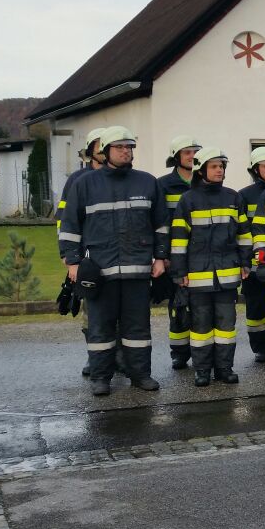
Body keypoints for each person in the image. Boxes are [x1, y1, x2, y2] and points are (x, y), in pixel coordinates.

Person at [59, 126, 167, 396]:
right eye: (119, 147)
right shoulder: (85, 184)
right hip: (99, 271)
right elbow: (70, 226)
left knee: (138, 328)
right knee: (100, 328)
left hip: (137, 270)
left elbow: (161, 225)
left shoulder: (147, 182)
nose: (125, 151)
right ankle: (100, 378)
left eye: (129, 147)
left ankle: (140, 375)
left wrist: (161, 257)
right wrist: (72, 262)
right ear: (105, 152)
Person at [168, 147, 252, 387]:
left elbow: (244, 235)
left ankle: (224, 369)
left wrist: (246, 262)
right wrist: (179, 272)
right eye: (214, 166)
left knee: (226, 326)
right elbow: (178, 240)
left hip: (227, 275)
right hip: (197, 276)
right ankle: (202, 370)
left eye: (222, 166)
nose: (220, 170)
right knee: (201, 326)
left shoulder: (233, 197)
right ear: (201, 170)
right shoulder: (188, 200)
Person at [57, 126, 109, 378]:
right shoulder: (77, 180)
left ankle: (119, 357)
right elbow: (64, 220)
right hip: (88, 257)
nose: (105, 149)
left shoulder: (123, 178)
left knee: (120, 311)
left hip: (117, 254)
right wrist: (68, 257)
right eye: (100, 145)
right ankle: (95, 356)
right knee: (91, 310)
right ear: (90, 150)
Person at [158, 135, 201, 370]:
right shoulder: (163, 185)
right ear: (176, 157)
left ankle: (202, 352)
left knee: (202, 307)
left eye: (195, 152)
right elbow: (160, 223)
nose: (192, 156)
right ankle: (180, 353)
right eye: (187, 152)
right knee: (178, 306)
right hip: (175, 256)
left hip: (202, 256)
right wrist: (163, 255)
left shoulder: (205, 181)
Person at [240, 146, 265, 363]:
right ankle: (261, 348)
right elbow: (244, 231)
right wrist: (246, 261)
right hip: (254, 263)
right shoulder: (244, 195)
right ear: (255, 169)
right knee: (256, 309)